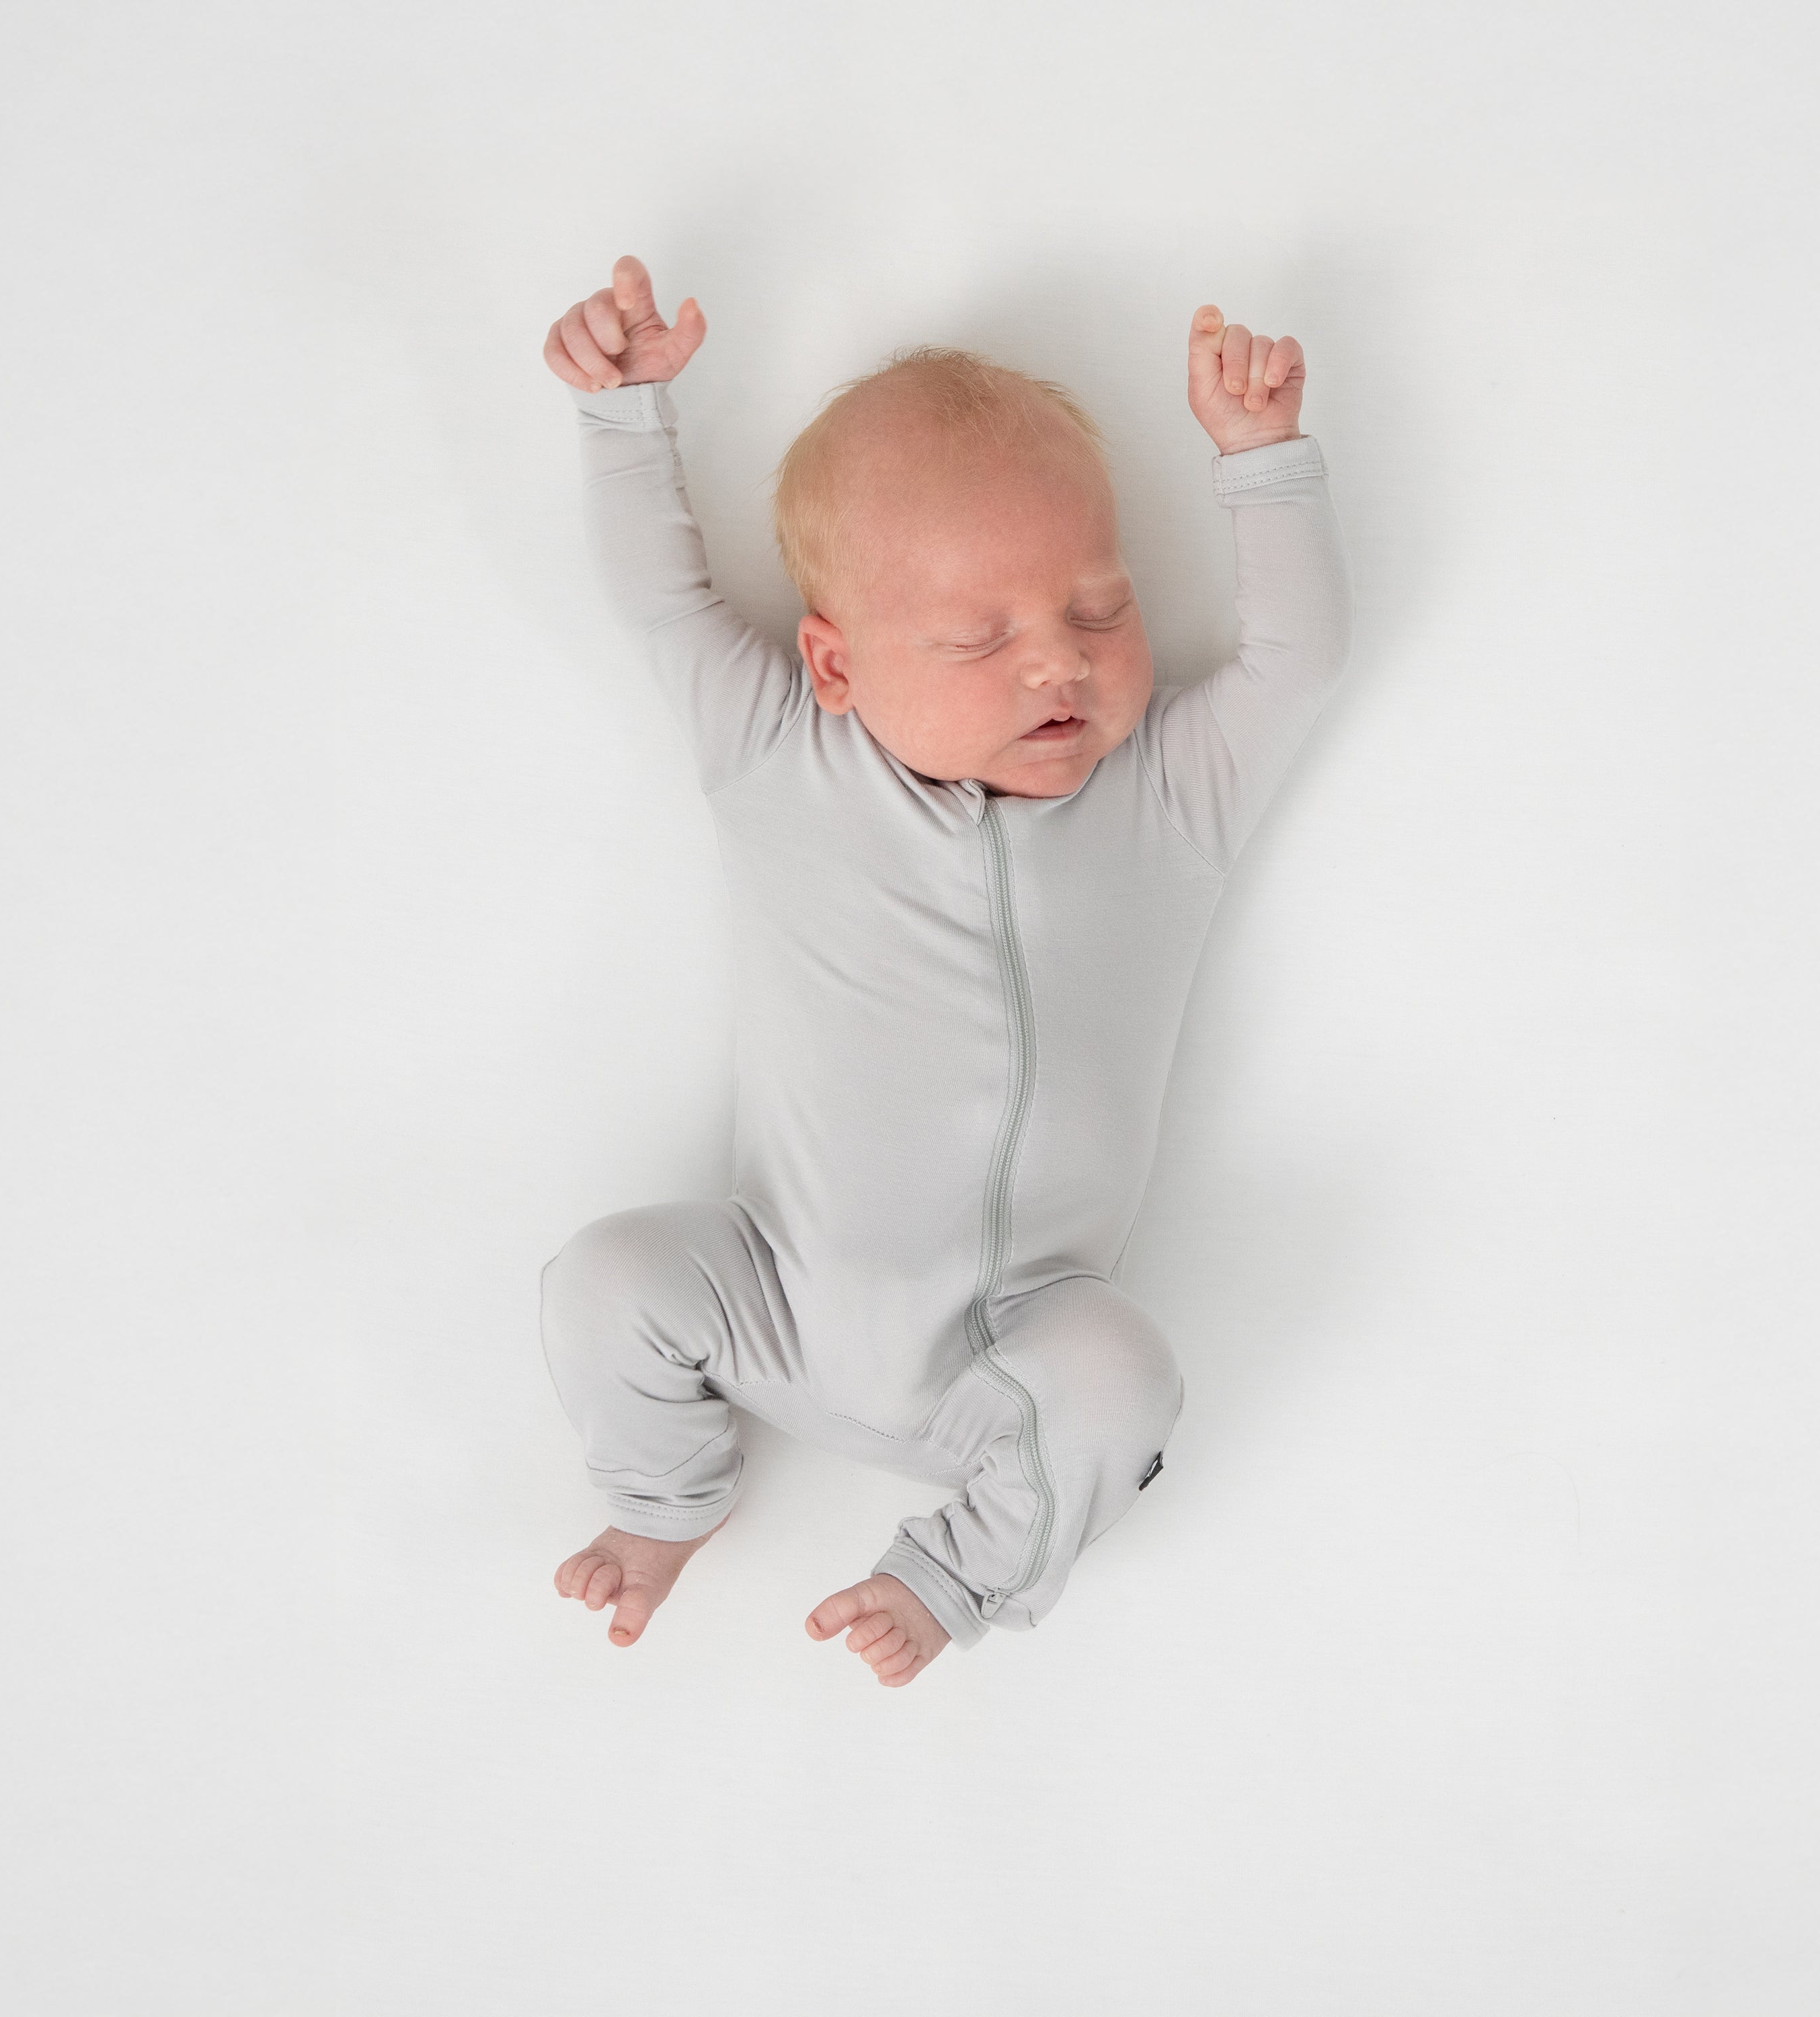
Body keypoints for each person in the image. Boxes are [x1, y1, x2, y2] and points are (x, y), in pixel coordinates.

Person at [537, 254, 1355, 1686]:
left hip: (1013, 1357)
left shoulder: (1168, 794)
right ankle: (664, 1499)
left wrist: (1263, 461)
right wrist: (623, 415)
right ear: (836, 666)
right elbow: (662, 603)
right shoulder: (784, 755)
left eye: (1097, 611)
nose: (1057, 666)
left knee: (1126, 1375)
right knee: (605, 1281)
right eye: (980, 638)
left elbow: (1298, 659)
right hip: (772, 1297)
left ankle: (957, 1573)